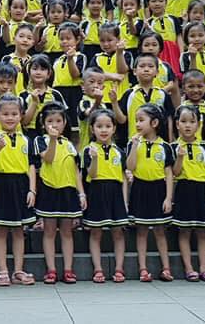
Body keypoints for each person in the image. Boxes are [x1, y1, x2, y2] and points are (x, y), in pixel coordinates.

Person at [0, 95, 38, 286]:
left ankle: (18, 270)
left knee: (18, 230)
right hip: (1, 183)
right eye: (5, 114)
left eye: (14, 114)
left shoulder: (26, 139)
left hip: (21, 185)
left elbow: (31, 165)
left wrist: (32, 190)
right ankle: (2, 271)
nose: (10, 118)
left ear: (21, 115)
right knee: (0, 229)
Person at [34, 102, 84, 285]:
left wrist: (81, 193)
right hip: (49, 190)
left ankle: (68, 270)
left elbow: (76, 171)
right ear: (43, 124)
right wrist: (53, 140)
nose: (54, 124)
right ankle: (51, 270)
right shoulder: (40, 141)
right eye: (50, 121)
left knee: (67, 232)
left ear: (65, 123)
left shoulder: (70, 144)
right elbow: (48, 158)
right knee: (49, 231)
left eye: (58, 121)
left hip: (68, 191)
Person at [126, 105, 175, 282]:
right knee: (141, 231)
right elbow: (130, 166)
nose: (137, 124)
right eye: (136, 120)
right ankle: (143, 269)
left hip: (159, 190)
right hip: (140, 189)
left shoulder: (165, 146)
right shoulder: (133, 143)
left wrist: (168, 198)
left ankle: (166, 268)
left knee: (160, 231)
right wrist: (134, 146)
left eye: (141, 120)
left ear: (154, 123)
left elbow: (169, 174)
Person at [81, 109, 129, 283]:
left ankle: (119, 268)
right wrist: (94, 159)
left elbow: (123, 178)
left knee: (118, 233)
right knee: (96, 233)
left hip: (115, 193)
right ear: (92, 129)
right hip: (96, 191)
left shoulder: (119, 151)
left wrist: (125, 201)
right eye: (99, 126)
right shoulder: (88, 150)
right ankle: (98, 269)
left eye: (108, 126)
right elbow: (91, 174)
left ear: (114, 128)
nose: (103, 130)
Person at [172, 105, 205, 283]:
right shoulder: (173, 147)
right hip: (184, 189)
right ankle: (189, 268)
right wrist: (180, 157)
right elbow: (175, 172)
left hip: (203, 189)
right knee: (184, 231)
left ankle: (204, 268)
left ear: (198, 124)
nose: (188, 125)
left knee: (203, 232)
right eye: (183, 122)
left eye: (192, 121)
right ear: (177, 124)